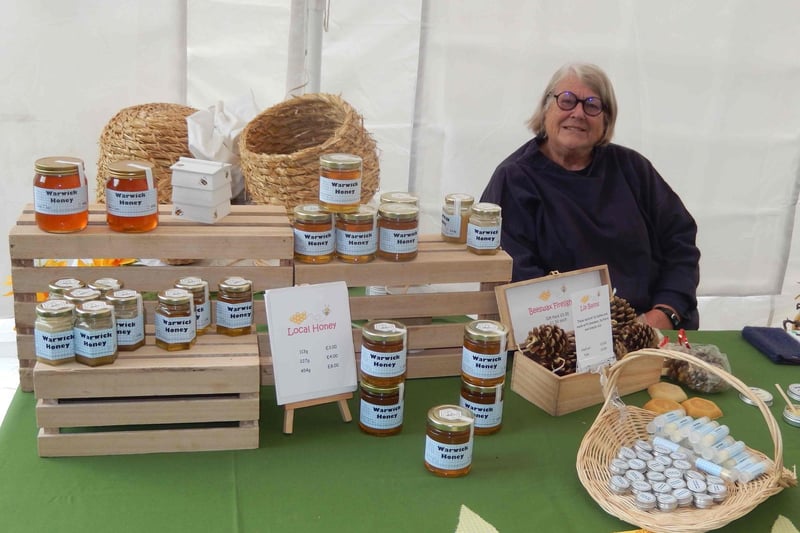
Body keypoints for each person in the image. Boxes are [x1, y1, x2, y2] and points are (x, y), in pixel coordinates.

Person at [480, 62, 700, 330]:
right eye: (567, 101)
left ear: (606, 119)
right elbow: (517, 277)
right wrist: (591, 333)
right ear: (546, 108)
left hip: (649, 328)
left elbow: (680, 243)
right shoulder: (514, 180)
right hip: (561, 337)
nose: (578, 113)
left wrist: (666, 312)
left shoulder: (633, 169)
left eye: (592, 105)